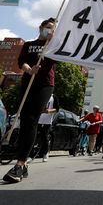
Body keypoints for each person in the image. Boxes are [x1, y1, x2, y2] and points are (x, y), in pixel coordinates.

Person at [3, 17, 56, 183]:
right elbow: (21, 62)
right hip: (27, 84)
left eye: (52, 29)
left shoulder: (53, 46)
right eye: (48, 27)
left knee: (32, 118)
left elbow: (53, 62)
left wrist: (50, 46)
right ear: (41, 27)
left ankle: (20, 163)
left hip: (44, 85)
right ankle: (24, 164)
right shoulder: (27, 45)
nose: (50, 31)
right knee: (25, 120)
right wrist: (29, 70)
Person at [36, 94, 59, 162]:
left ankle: (45, 153)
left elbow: (57, 109)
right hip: (37, 120)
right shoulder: (40, 95)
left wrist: (48, 111)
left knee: (44, 137)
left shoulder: (54, 97)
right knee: (34, 136)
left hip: (47, 122)